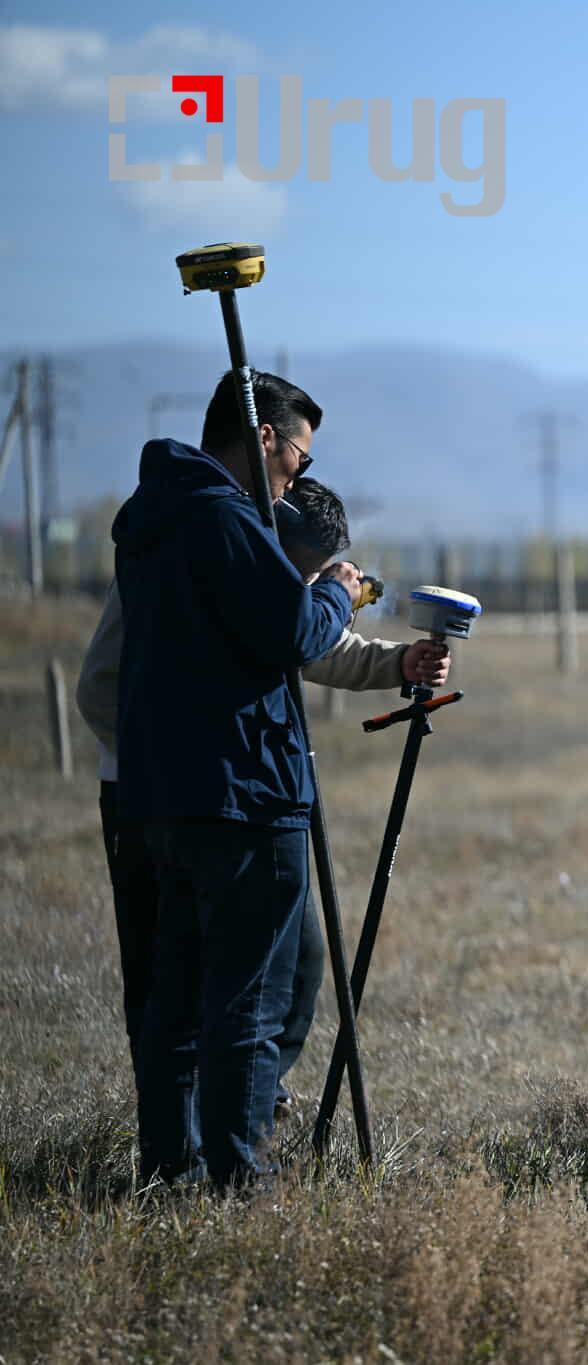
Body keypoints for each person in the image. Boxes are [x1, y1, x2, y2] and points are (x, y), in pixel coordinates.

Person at [77, 479, 450, 1118]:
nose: (305, 586)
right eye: (302, 572)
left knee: (297, 963)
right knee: (176, 982)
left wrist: (399, 663)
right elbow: (98, 686)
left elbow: (303, 640)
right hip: (166, 800)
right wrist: (171, 763)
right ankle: (189, 1137)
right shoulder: (191, 560)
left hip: (244, 800)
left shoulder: (264, 572)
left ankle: (251, 1104)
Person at [111, 369, 357, 1191]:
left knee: (176, 1000)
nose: (295, 478)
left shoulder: (157, 515)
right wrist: (336, 594)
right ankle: (239, 1178)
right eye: (297, 459)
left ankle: (170, 1168)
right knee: (249, 1000)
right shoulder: (224, 517)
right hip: (247, 791)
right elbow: (290, 630)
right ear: (263, 437)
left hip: (167, 794)